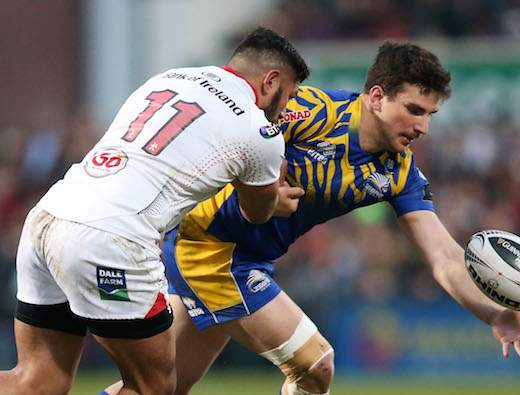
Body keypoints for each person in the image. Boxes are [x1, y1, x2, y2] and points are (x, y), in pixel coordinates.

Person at [105, 42, 520, 395]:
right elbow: (250, 126)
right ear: (376, 97)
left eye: (430, 115)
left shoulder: (399, 174)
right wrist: (268, 183)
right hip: (210, 247)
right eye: (414, 110)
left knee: (160, 387)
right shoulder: (315, 111)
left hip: (247, 260)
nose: (422, 127)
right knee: (315, 365)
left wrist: (493, 313)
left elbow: (444, 258)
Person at [0, 27, 309, 395]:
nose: (285, 110)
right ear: (270, 81)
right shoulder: (259, 132)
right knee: (154, 387)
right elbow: (256, 213)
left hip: (48, 216)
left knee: (36, 381)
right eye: (288, 97)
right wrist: (277, 199)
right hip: (112, 238)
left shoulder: (170, 78)